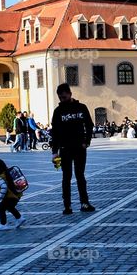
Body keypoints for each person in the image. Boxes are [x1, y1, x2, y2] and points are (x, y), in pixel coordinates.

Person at [50, 83, 95, 215]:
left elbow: (89, 125)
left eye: (64, 97)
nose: (62, 100)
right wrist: (54, 152)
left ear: (70, 94)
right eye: (60, 98)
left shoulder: (81, 108)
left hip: (79, 147)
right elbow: (55, 132)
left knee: (80, 176)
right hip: (65, 149)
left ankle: (84, 203)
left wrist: (87, 142)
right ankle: (67, 206)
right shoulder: (58, 111)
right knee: (66, 177)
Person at [0, 158, 27, 230]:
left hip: (9, 196)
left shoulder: (0, 178)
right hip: (15, 195)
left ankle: (3, 224)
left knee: (1, 209)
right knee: (10, 207)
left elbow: (4, 188)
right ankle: (19, 218)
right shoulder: (6, 173)